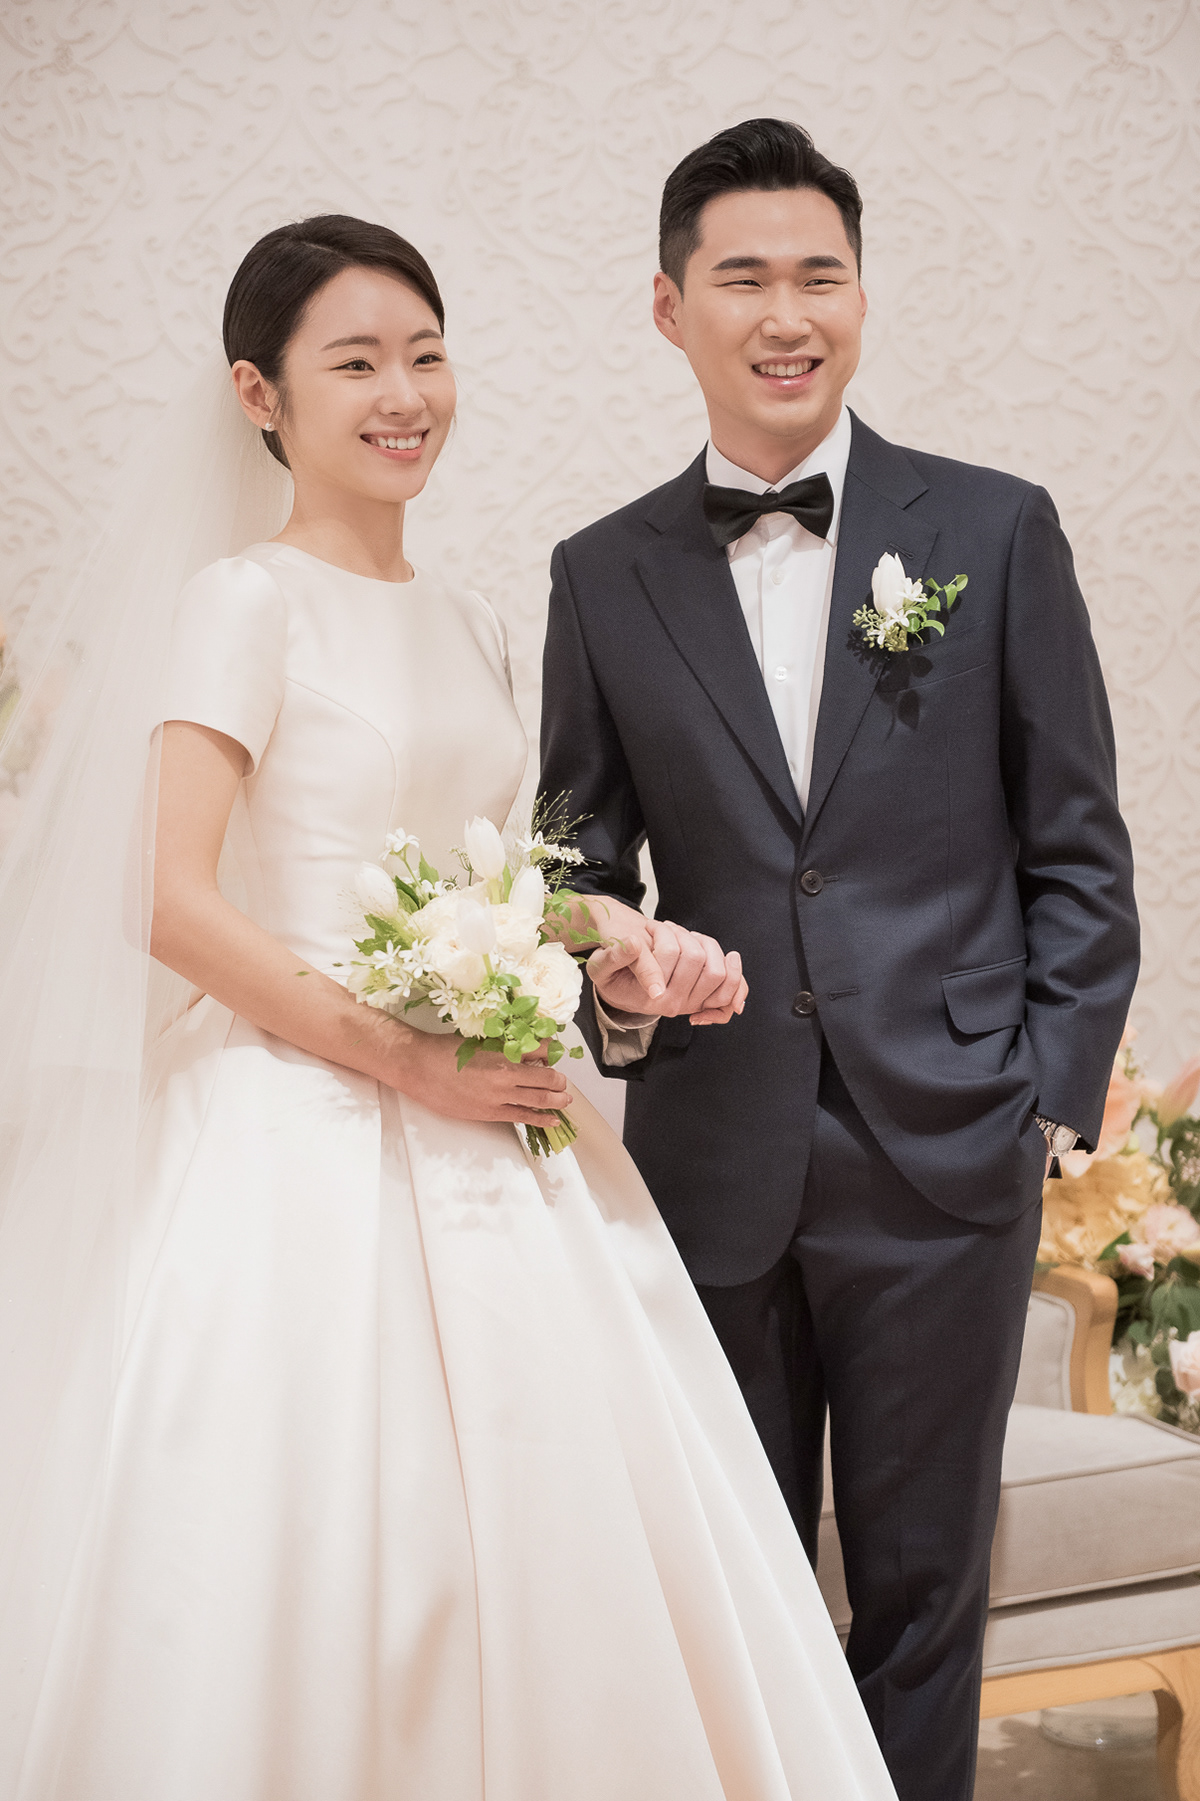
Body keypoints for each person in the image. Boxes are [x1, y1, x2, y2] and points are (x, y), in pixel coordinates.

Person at [0, 213, 898, 1801]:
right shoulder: (242, 602)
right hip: (293, 1137)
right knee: (329, 1547)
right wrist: (408, 1061)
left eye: (426, 355)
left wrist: (612, 938)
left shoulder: (474, 617)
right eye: (356, 363)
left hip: (498, 1128)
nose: (405, 394)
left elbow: (474, 880)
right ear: (261, 395)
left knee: (554, 1551)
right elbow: (172, 900)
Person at [539, 119, 1140, 1801]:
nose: (786, 313)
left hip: (947, 1150)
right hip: (713, 1151)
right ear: (672, 308)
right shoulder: (602, 572)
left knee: (924, 1597)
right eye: (744, 277)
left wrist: (1041, 1105)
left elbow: (1080, 852)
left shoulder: (996, 530)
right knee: (729, 1595)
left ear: (862, 296)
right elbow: (575, 865)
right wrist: (616, 983)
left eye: (821, 274)